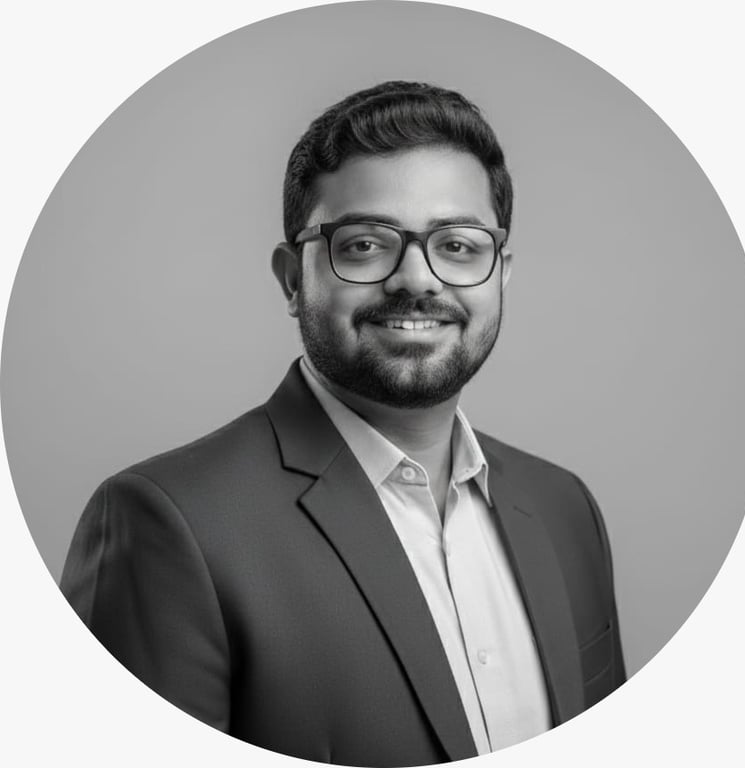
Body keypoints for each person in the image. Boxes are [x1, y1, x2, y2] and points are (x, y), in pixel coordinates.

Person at [61, 81, 626, 766]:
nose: (418, 280)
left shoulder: (565, 508)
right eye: (363, 245)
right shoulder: (169, 524)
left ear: (499, 275)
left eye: (457, 244)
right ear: (292, 279)